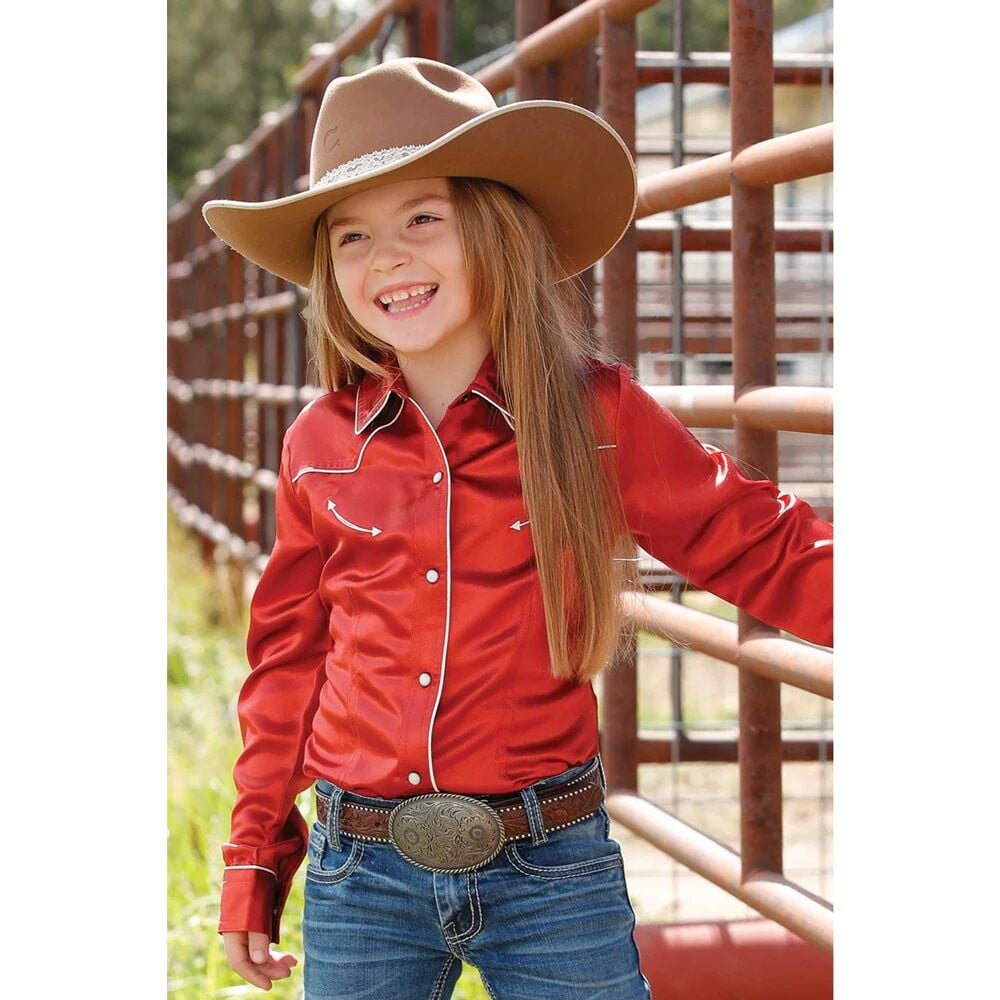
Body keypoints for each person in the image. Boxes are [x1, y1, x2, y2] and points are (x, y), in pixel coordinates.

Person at [200, 57, 833, 999]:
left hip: (551, 867)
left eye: (423, 219)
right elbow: (290, 659)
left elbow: (755, 541)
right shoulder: (319, 445)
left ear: (494, 230)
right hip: (361, 870)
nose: (387, 258)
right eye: (353, 237)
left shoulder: (593, 415)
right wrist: (255, 857)